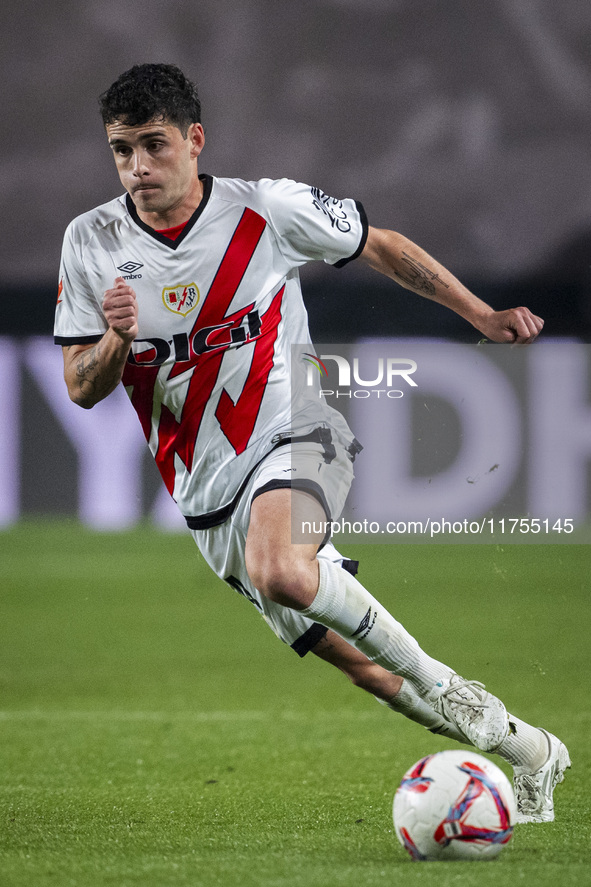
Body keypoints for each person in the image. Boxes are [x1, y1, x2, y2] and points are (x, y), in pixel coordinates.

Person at [54, 63, 569, 824]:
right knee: (364, 669)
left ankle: (459, 687)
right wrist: (115, 339)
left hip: (298, 430)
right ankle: (532, 751)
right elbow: (80, 385)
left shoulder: (265, 209)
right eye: (121, 150)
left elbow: (381, 245)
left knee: (282, 568)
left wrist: (482, 316)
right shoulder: (91, 241)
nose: (137, 168)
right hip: (204, 494)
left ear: (194, 141)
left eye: (153, 145)